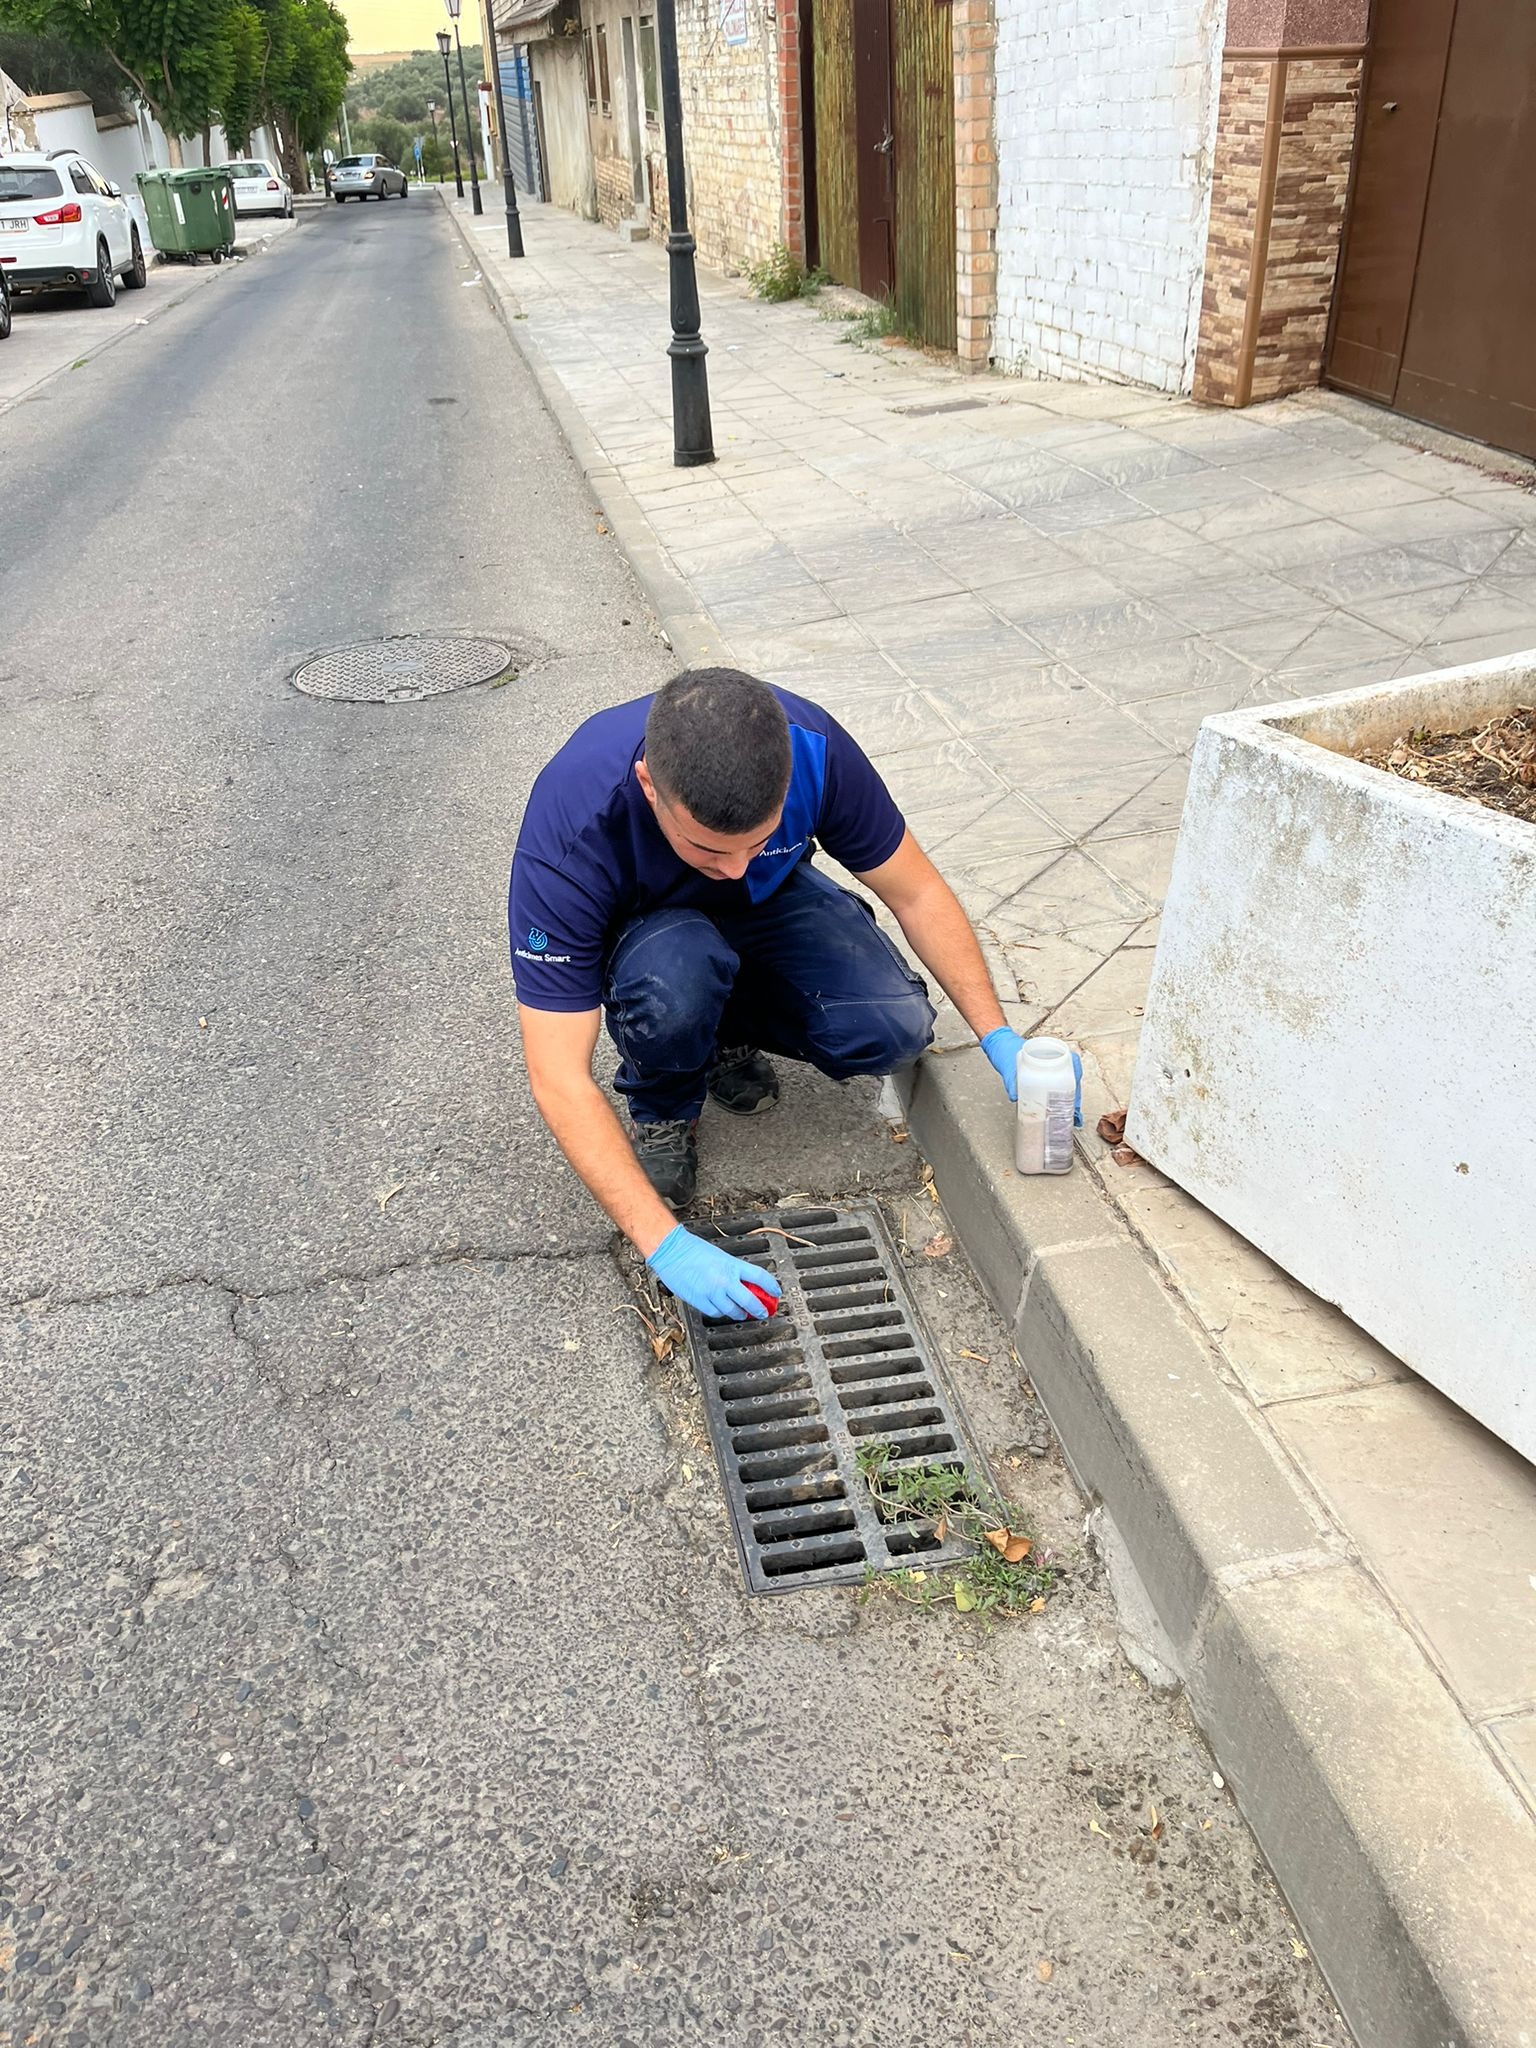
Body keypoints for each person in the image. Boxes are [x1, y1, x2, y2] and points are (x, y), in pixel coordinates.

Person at [508, 668, 1052, 1325]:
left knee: (895, 1027)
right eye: (708, 848)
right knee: (674, 985)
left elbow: (918, 892)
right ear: (651, 786)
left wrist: (999, 1036)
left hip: (771, 905)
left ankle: (724, 1027)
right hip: (655, 939)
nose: (734, 866)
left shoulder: (812, 749)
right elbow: (557, 1076)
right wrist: (666, 1246)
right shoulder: (573, 828)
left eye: (756, 842)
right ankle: (667, 1098)